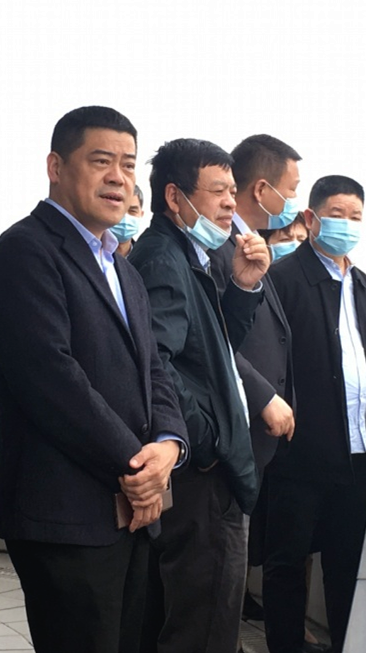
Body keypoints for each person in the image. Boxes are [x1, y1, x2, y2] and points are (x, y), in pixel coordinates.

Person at [0, 106, 188, 653]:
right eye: (100, 161)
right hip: (66, 519)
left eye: (128, 164)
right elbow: (52, 381)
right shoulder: (25, 251)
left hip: (132, 511)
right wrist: (137, 468)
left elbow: (154, 368)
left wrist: (169, 446)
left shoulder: (120, 266)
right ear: (56, 166)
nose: (118, 177)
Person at [128, 137, 269, 653]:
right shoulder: (163, 260)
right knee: (204, 627)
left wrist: (244, 287)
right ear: (175, 197)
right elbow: (156, 365)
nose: (231, 203)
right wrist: (207, 442)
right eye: (218, 192)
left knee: (196, 616)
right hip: (203, 478)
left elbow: (211, 353)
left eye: (232, 191)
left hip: (207, 469)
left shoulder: (191, 255)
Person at [262, 175, 366, 653]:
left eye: (356, 217)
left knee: (346, 568)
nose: (347, 224)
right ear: (311, 218)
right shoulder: (283, 279)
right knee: (287, 564)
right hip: (300, 452)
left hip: (357, 454)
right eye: (337, 214)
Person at [206, 134, 301, 630]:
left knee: (229, 575)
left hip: (254, 441)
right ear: (262, 190)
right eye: (292, 189)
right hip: (229, 437)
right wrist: (264, 396)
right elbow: (212, 337)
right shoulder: (219, 249)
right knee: (215, 584)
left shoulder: (251, 246)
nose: (294, 202)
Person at [113, 184, 144, 257]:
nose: (125, 217)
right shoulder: (92, 254)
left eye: (132, 211)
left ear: (141, 214)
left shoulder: (147, 257)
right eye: (119, 210)